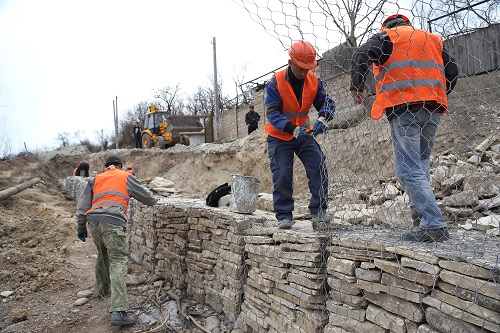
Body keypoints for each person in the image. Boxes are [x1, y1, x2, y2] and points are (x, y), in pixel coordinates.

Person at [350, 14, 459, 242]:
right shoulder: (432, 39)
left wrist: (357, 87)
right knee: (418, 165)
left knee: (408, 169)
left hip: (404, 109)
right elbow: (452, 72)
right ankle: (421, 220)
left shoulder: (388, 38)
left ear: (387, 26)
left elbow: (360, 53)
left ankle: (435, 225)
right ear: (408, 24)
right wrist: (434, 93)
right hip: (432, 108)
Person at [75, 155, 157, 326]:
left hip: (94, 222)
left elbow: (82, 206)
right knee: (118, 261)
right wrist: (155, 199)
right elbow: (148, 198)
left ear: (106, 167)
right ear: (119, 165)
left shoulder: (95, 179)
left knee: (102, 253)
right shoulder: (125, 176)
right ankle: (119, 311)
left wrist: (81, 227)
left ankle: (101, 290)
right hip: (112, 222)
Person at [265, 40, 336, 230]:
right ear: (291, 63)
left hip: (304, 134)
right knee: (282, 173)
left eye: (308, 68)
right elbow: (272, 114)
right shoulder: (274, 82)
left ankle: (319, 211)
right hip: (280, 136)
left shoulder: (314, 81)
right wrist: (293, 130)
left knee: (318, 164)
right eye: (301, 68)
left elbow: (327, 103)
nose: (304, 73)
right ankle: (284, 215)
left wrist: (323, 119)